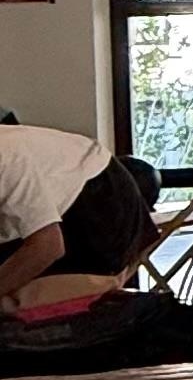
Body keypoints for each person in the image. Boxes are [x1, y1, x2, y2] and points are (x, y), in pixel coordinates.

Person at [0, 127, 161, 310]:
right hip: (70, 197)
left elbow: (47, 247)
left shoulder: (7, 158)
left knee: (21, 296)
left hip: (102, 199)